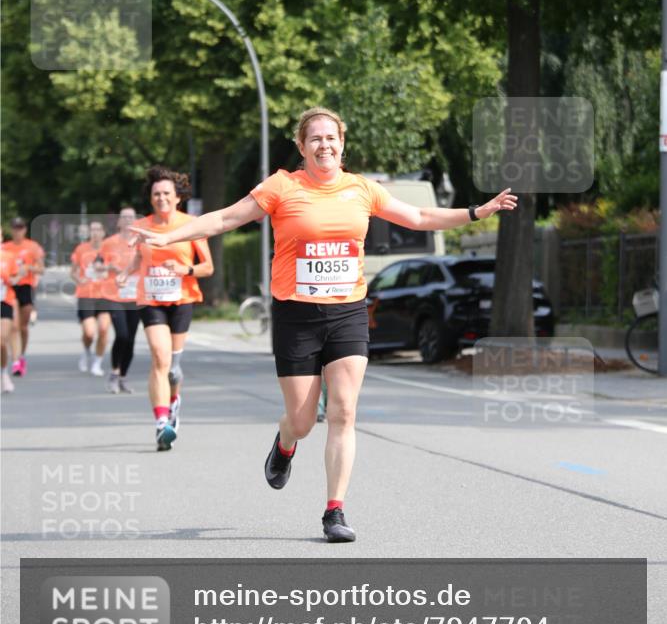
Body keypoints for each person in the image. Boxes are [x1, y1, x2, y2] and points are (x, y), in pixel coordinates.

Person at [131, 107, 517, 541]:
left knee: (344, 411)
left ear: (342, 144)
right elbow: (224, 218)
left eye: (331, 138)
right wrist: (167, 238)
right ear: (301, 147)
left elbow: (420, 218)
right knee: (301, 421)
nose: (324, 145)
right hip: (296, 315)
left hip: (348, 311)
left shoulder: (362, 190)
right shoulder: (282, 186)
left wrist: (475, 212)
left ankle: (334, 510)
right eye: (314, 138)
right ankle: (284, 442)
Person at [124, 166, 213, 451]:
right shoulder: (143, 226)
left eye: (166, 194)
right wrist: (127, 273)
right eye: (156, 194)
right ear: (151, 199)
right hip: (151, 299)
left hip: (182, 299)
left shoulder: (192, 225)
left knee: (173, 368)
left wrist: (184, 268)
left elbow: (207, 267)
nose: (161, 198)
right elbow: (139, 259)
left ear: (177, 198)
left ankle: (174, 402)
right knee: (159, 358)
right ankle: (162, 424)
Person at [101, 207, 141, 394]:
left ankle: (123, 377)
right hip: (114, 295)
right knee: (122, 335)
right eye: (124, 217)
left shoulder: (140, 242)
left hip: (135, 295)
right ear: (118, 222)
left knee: (131, 339)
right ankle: (114, 373)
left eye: (131, 217)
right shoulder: (109, 243)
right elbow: (97, 265)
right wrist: (110, 267)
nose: (127, 220)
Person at [2, 217, 45, 377]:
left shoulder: (32, 247)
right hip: (10, 287)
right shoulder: (6, 247)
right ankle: (15, 359)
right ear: (11, 230)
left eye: (20, 228)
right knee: (14, 324)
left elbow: (41, 269)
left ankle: (21, 356)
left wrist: (29, 268)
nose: (17, 231)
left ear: (25, 229)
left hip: (26, 286)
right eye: (15, 228)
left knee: (23, 326)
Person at [70, 221, 112, 377]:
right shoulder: (81, 249)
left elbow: (118, 267)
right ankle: (87, 351)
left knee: (103, 329)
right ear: (89, 233)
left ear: (103, 232)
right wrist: (78, 279)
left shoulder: (110, 248)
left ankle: (97, 362)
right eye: (92, 230)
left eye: (98, 230)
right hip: (86, 294)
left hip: (105, 294)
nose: (95, 233)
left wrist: (106, 269)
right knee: (89, 332)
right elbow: (73, 272)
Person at [1, 246, 20, 393]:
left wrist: (10, 279)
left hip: (4, 301)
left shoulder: (8, 256)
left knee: (1, 341)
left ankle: (4, 373)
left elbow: (16, 277)